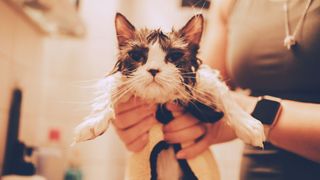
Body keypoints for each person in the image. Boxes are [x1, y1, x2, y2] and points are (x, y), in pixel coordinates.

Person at [114, 0, 320, 179]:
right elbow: (202, 86)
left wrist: (253, 112)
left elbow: (227, 106)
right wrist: (135, 111)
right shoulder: (228, 2)